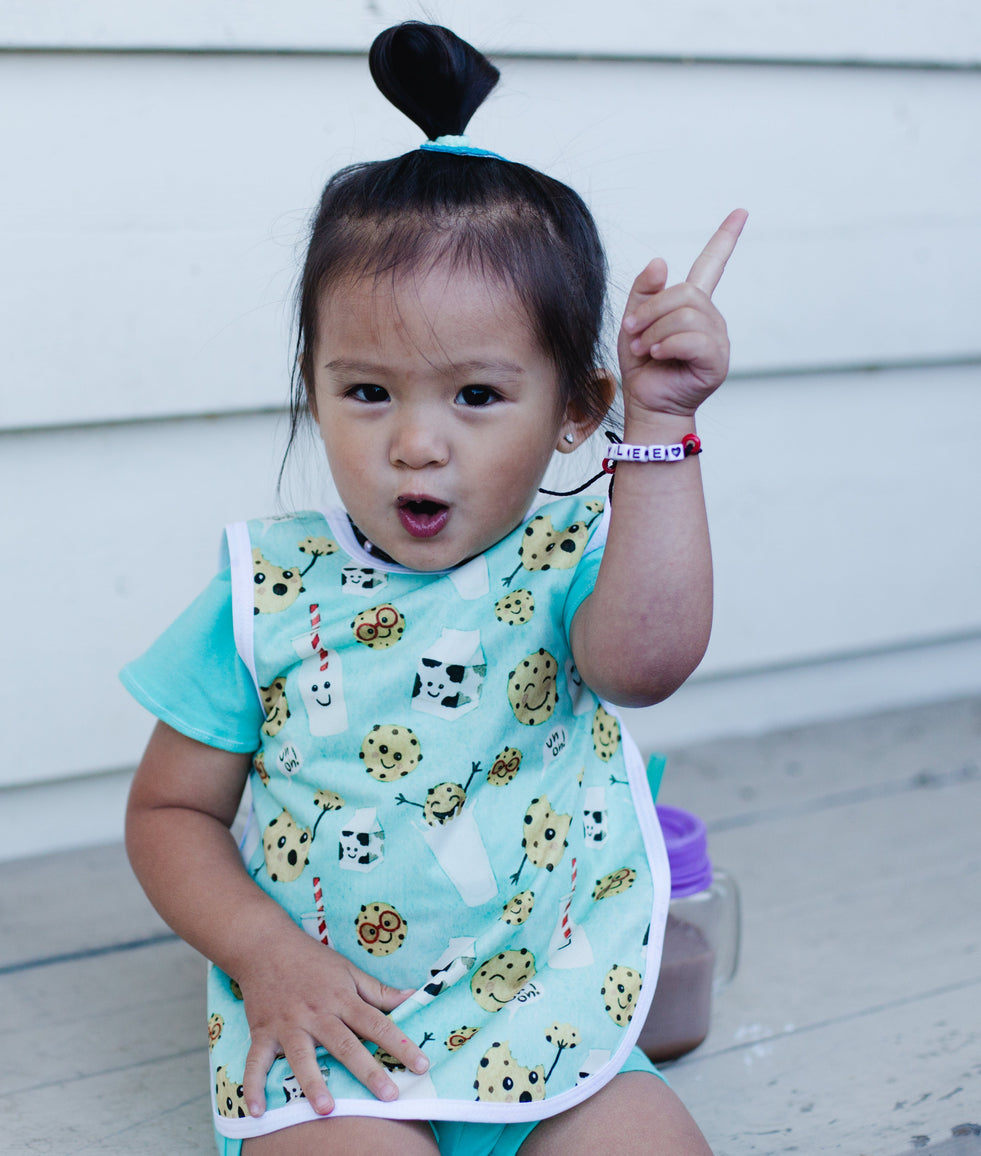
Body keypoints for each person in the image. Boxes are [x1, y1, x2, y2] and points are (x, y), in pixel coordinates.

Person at [122, 21, 743, 1156]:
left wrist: (659, 424)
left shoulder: (566, 568)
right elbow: (170, 814)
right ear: (312, 388)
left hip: (546, 1013)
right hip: (335, 1034)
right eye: (366, 391)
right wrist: (265, 955)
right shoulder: (270, 594)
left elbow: (646, 665)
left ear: (574, 409)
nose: (414, 443)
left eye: (475, 396)